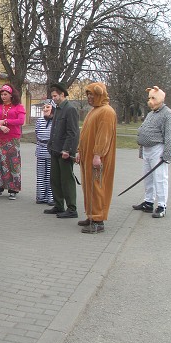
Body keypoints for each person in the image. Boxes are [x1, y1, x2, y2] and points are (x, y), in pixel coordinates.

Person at [75, 83, 117, 234]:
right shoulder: (94, 111)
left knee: (97, 186)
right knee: (89, 186)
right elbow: (85, 133)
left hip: (97, 158)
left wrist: (97, 155)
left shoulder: (106, 112)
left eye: (92, 95)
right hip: (87, 156)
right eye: (88, 95)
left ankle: (98, 220)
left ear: (100, 95)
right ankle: (91, 215)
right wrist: (80, 150)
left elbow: (103, 137)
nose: (89, 98)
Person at [132, 86, 171, 218]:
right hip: (147, 150)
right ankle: (148, 202)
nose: (150, 100)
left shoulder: (167, 114)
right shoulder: (151, 113)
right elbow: (144, 130)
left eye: (153, 98)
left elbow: (168, 135)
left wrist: (167, 154)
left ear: (160, 99)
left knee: (160, 178)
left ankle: (162, 206)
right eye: (149, 98)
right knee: (148, 177)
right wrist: (141, 150)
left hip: (158, 149)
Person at [44, 82, 80, 218]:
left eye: (55, 96)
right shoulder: (58, 108)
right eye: (52, 96)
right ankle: (59, 205)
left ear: (62, 95)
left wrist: (67, 150)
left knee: (67, 180)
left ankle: (72, 208)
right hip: (55, 149)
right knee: (55, 179)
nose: (53, 98)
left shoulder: (70, 109)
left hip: (64, 152)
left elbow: (73, 132)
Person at [0, 84, 26, 200]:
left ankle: (13, 189)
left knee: (12, 163)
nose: (3, 96)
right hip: (0, 139)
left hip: (13, 139)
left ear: (11, 95)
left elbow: (21, 121)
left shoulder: (18, 106)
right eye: (2, 94)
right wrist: (0, 126)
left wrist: (5, 122)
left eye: (6, 94)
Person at [35, 99, 55, 205]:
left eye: (48, 107)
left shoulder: (56, 120)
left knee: (50, 175)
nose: (45, 109)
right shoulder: (39, 120)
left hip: (51, 151)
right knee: (41, 174)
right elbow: (37, 133)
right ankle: (41, 196)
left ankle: (51, 197)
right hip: (41, 150)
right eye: (44, 107)